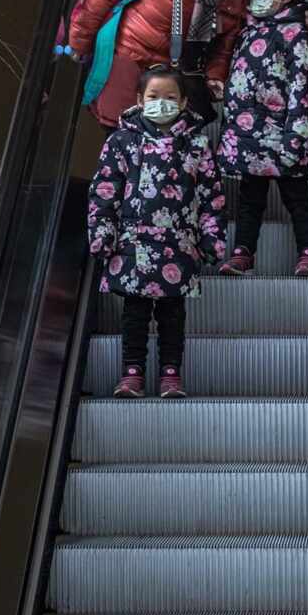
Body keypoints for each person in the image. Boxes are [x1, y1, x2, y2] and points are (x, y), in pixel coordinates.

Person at [87, 65, 225, 398]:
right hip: (131, 243)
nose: (161, 103)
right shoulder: (121, 141)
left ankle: (170, 375)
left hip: (179, 244)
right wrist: (102, 233)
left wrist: (212, 240)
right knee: (134, 312)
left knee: (172, 314)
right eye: (153, 97)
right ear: (139, 99)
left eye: (169, 97)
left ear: (183, 102)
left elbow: (211, 194)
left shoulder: (196, 144)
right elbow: (105, 188)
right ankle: (131, 373)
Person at [66, 0, 278, 130]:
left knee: (163, 149)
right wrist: (80, 39)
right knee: (120, 133)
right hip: (128, 57)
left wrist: (215, 77)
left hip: (173, 80)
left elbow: (223, 48)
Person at [216, 0, 308, 277]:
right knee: (250, 199)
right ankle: (242, 252)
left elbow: (305, 89)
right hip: (250, 137)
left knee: (297, 197)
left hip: (285, 134)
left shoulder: (297, 36)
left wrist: (296, 138)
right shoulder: (248, 32)